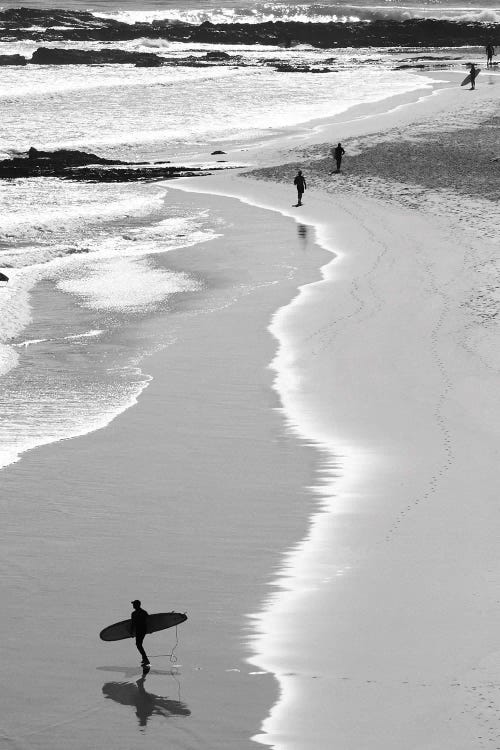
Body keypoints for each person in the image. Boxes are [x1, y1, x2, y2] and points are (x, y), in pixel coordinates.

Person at [131, 599, 150, 666]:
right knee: (139, 644)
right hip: (143, 630)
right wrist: (150, 630)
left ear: (136, 605)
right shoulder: (144, 612)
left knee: (138, 645)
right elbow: (149, 621)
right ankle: (144, 658)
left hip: (139, 631)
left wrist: (131, 632)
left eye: (133, 604)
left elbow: (133, 624)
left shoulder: (134, 614)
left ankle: (145, 659)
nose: (133, 605)